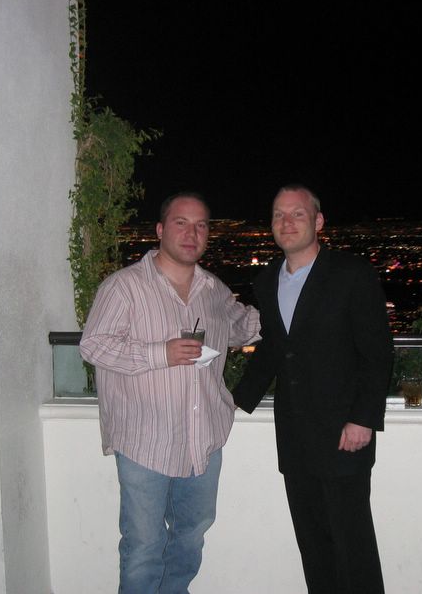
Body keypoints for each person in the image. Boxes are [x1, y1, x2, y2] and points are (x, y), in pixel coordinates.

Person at [80, 192, 260, 593]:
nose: (192, 233)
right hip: (144, 442)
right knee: (144, 548)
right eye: (181, 223)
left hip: (202, 441)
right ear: (160, 230)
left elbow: (245, 327)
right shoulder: (124, 287)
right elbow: (93, 345)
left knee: (189, 540)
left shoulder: (214, 290)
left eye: (201, 225)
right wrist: (159, 353)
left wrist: (299, 307)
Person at [233, 184, 394, 593]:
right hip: (294, 436)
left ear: (318, 222)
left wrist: (363, 418)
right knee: (314, 547)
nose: (287, 222)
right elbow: (276, 347)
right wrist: (234, 400)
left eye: (297, 214)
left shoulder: (351, 273)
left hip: (344, 434)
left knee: (353, 547)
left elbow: (377, 352)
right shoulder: (266, 279)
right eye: (279, 215)